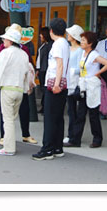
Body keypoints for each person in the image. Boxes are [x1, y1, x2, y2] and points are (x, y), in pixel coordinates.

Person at [0, 24, 36, 156]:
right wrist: (26, 88)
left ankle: (9, 148)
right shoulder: (23, 54)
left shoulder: (5, 53)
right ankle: (8, 145)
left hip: (7, 89)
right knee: (11, 118)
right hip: (19, 90)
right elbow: (27, 72)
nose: (3, 41)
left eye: (5, 39)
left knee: (8, 119)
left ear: (10, 41)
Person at [65, 31, 107, 148]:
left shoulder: (94, 55)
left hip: (92, 87)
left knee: (93, 114)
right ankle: (75, 140)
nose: (81, 42)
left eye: (84, 40)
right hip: (83, 86)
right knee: (81, 114)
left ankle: (97, 139)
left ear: (90, 43)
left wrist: (97, 73)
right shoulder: (83, 54)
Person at [32, 18, 70, 161]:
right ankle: (57, 147)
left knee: (49, 117)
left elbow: (59, 65)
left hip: (55, 83)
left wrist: (56, 84)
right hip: (62, 83)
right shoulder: (64, 43)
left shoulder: (57, 45)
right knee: (58, 117)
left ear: (51, 31)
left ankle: (47, 149)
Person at [63, 24, 85, 145]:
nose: (68, 35)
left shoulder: (80, 51)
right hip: (68, 83)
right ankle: (70, 134)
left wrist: (70, 71)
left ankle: (73, 135)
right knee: (70, 110)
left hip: (75, 84)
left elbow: (80, 68)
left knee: (74, 111)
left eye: (70, 34)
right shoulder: (68, 48)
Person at [35, 27, 52, 114]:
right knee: (43, 89)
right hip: (41, 69)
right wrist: (37, 69)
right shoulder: (43, 45)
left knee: (45, 89)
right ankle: (43, 106)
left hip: (46, 70)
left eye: (41, 34)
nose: (40, 36)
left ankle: (45, 107)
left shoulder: (50, 45)